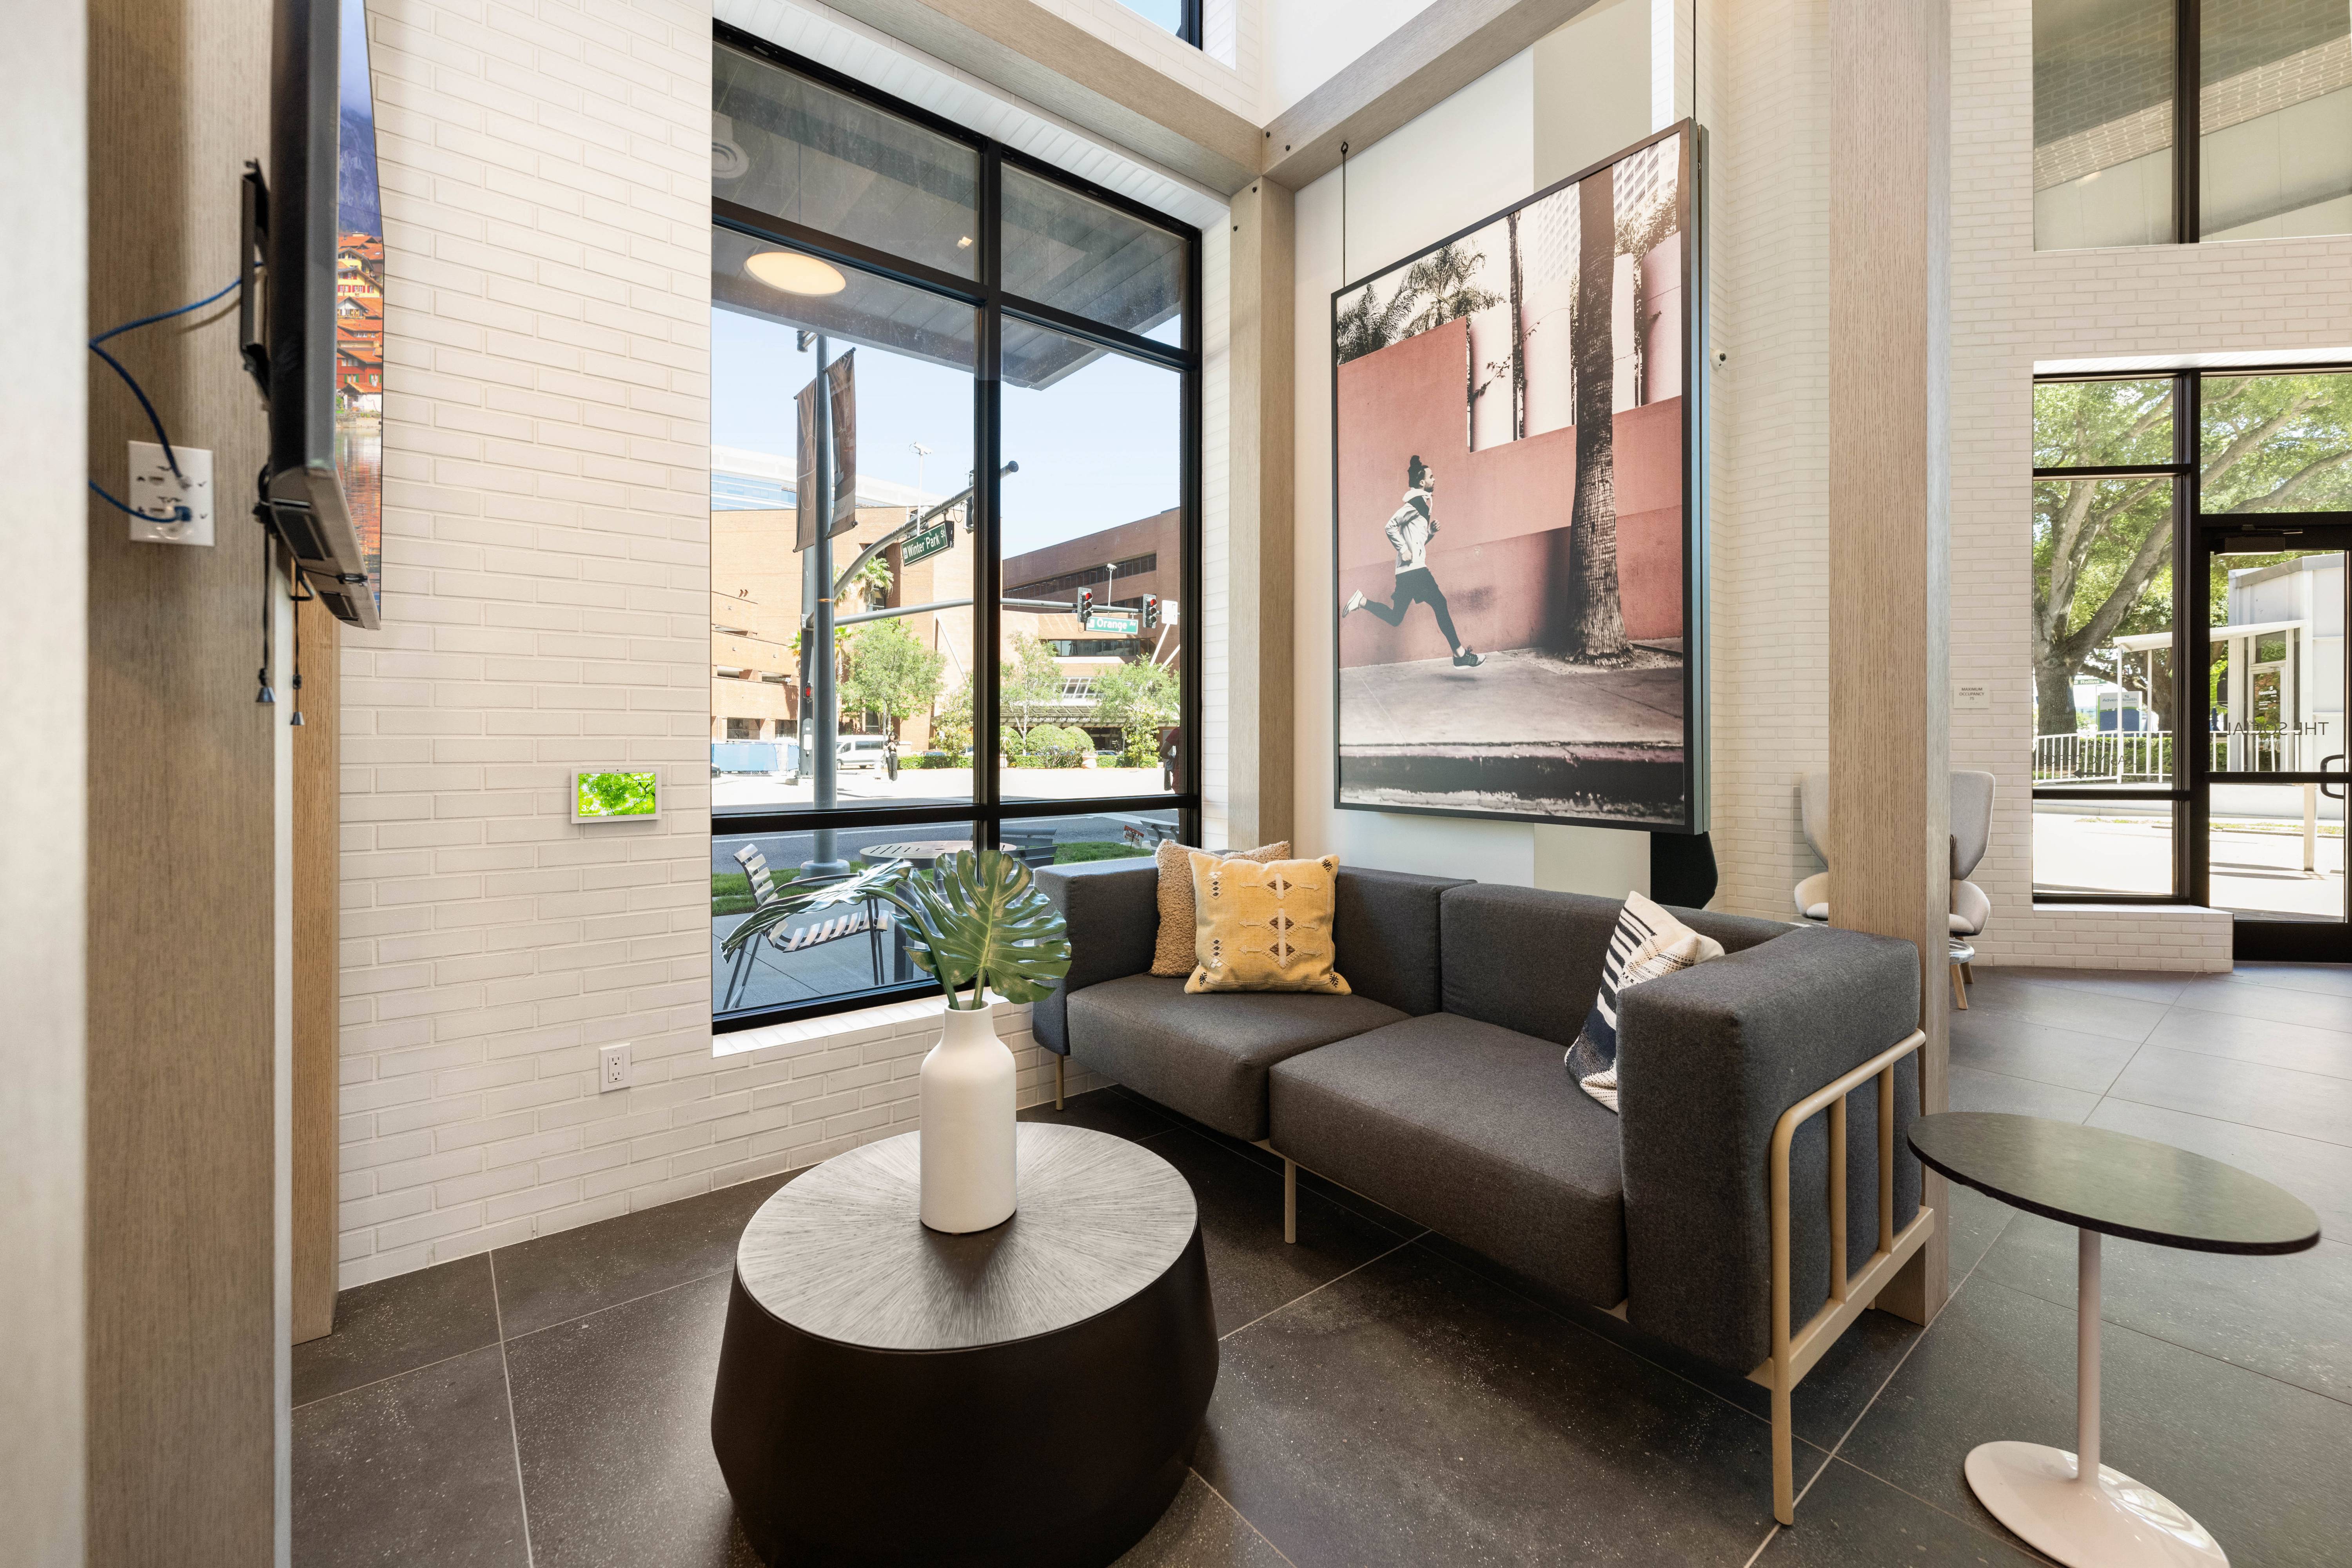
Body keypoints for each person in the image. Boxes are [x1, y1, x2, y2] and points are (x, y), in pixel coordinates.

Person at [1342, 454, 1484, 668]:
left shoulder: (1423, 504)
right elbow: (1390, 526)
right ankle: (1460, 654)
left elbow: (1418, 542)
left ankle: (1362, 601)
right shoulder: (1417, 503)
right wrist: (1403, 549)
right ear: (1422, 483)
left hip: (1407, 572)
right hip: (1415, 570)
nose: (1434, 480)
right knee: (1440, 604)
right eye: (1431, 477)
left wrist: (1431, 534)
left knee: (1396, 618)